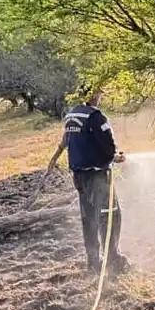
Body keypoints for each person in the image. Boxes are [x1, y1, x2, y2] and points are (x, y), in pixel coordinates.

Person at [45, 90, 130, 274]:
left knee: (89, 218)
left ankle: (93, 261)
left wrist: (53, 161)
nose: (101, 96)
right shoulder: (96, 117)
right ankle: (113, 260)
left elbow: (66, 143)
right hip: (98, 176)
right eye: (99, 92)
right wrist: (117, 157)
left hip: (79, 177)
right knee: (110, 216)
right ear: (92, 94)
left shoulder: (71, 116)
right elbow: (108, 148)